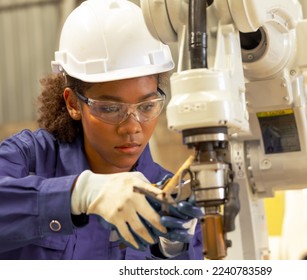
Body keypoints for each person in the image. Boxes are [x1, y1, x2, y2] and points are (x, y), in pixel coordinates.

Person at [0, 0, 203, 260]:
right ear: (73, 103)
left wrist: (173, 248)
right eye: (109, 109)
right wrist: (81, 193)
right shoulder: (29, 158)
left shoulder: (166, 196)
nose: (132, 127)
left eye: (147, 106)